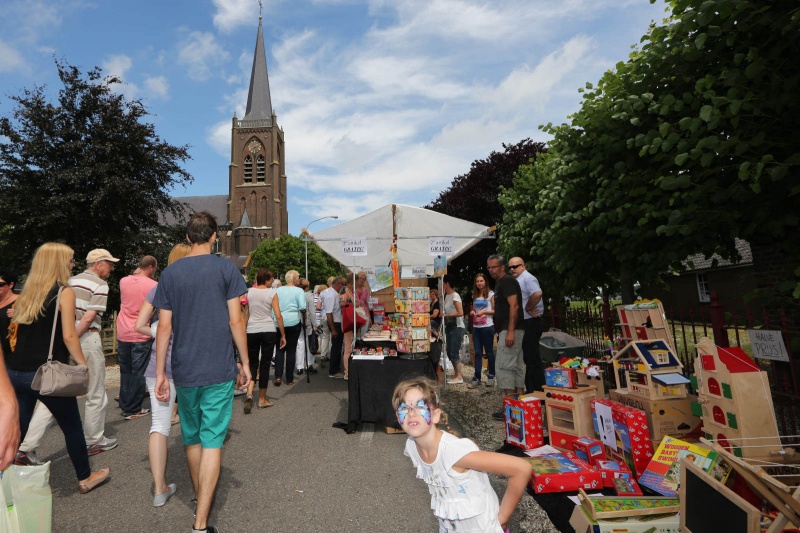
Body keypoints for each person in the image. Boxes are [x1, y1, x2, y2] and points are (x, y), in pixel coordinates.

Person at [152, 211, 251, 533]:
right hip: (218, 367)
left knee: (192, 439)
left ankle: (200, 497)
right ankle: (201, 521)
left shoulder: (170, 273)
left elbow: (164, 327)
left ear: (187, 236)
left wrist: (163, 373)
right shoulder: (226, 269)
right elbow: (236, 321)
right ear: (214, 236)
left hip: (184, 367)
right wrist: (245, 363)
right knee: (212, 441)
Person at [7, 243, 110, 493]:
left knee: (16, 429)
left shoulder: (26, 291)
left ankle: (5, 476)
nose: (72, 265)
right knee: (72, 426)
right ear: (58, 263)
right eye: (70, 260)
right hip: (45, 374)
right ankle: (85, 477)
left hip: (17, 372)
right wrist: (83, 366)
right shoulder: (64, 292)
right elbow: (69, 336)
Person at [392, 377, 532, 532]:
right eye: (404, 408)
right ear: (398, 417)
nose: (411, 413)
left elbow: (521, 468)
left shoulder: (453, 451)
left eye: (420, 407)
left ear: (436, 415)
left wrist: (503, 518)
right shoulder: (412, 446)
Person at [19, 248, 119, 461]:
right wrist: (73, 339)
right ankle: (94, 439)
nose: (111, 268)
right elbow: (88, 318)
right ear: (98, 263)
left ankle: (27, 446)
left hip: (64, 340)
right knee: (95, 391)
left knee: (55, 392)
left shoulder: (70, 281)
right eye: (109, 263)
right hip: (84, 339)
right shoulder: (100, 285)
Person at [133, 244, 190, 507]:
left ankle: (159, 488)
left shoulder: (159, 288)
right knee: (196, 423)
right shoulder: (195, 288)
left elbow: (139, 325)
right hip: (190, 364)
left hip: (159, 367)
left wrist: (160, 331)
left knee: (159, 425)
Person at [117, 255, 158, 419]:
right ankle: (133, 408)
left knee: (125, 370)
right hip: (141, 332)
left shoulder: (123, 281)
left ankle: (125, 402)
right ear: (151, 268)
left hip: (122, 331)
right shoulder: (154, 285)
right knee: (139, 371)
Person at [487, 254, 525, 421]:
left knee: (504, 367)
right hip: (511, 329)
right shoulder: (502, 283)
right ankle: (518, 408)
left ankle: (510, 409)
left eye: (493, 267)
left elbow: (514, 305)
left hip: (510, 330)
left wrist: (510, 330)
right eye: (489, 267)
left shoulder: (507, 281)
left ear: (501, 267)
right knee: (516, 366)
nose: (490, 270)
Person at [244, 268, 286, 412]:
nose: (273, 281)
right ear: (266, 280)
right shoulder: (272, 293)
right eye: (272, 279)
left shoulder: (249, 292)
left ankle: (249, 393)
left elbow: (246, 312)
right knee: (265, 364)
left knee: (252, 362)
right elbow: (278, 315)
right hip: (268, 328)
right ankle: (262, 399)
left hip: (252, 329)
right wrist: (283, 334)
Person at [509, 257, 545, 393]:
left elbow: (537, 293)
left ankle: (537, 390)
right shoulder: (520, 279)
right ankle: (532, 388)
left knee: (532, 357)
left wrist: (528, 308)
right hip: (527, 321)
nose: (512, 269)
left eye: (515, 266)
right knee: (528, 358)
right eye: (510, 267)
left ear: (523, 266)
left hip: (531, 321)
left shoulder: (527, 278)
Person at [274, 270, 306, 387]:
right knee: (291, 350)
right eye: (298, 277)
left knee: (279, 349)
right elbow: (302, 307)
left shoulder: (277, 290)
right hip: (293, 321)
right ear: (293, 279)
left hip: (279, 322)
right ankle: (289, 378)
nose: (299, 279)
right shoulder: (299, 291)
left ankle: (278, 376)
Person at [469, 273, 496, 388]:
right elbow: (474, 309)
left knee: (489, 352)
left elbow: (495, 310)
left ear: (485, 282)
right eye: (477, 281)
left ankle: (491, 376)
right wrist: (473, 312)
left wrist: (484, 312)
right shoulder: (474, 295)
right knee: (478, 353)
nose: (479, 283)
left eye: (481, 281)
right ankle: (477, 377)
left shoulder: (490, 294)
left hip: (487, 327)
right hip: (476, 327)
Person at [441, 275, 466, 384]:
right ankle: (456, 375)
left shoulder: (455, 296)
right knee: (450, 351)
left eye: (442, 283)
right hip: (449, 326)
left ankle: (459, 376)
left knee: (454, 351)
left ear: (447, 284)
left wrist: (446, 315)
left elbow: (460, 312)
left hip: (457, 326)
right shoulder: (447, 296)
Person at [295, 278, 319, 376]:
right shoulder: (309, 295)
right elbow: (312, 311)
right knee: (309, 343)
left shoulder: (295, 295)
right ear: (307, 287)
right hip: (308, 322)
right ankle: (309, 364)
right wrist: (315, 324)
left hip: (297, 321)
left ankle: (299, 366)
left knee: (300, 343)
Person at [323, 277, 345, 378]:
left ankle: (335, 368)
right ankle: (333, 370)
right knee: (336, 347)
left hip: (337, 322)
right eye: (343, 285)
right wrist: (333, 329)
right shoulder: (331, 295)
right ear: (339, 284)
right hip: (335, 323)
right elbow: (329, 313)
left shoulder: (335, 294)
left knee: (338, 346)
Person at [354, 270, 372, 338]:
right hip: (355, 313)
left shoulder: (365, 290)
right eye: (360, 278)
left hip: (365, 313)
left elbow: (367, 304)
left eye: (363, 279)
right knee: (355, 333)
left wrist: (369, 317)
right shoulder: (352, 289)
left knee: (364, 333)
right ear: (357, 278)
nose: (361, 280)